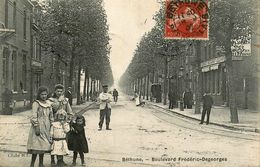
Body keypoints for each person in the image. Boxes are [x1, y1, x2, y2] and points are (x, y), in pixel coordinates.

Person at [27, 86, 53, 167]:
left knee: (44, 145)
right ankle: (32, 164)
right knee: (36, 146)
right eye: (42, 94)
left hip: (46, 127)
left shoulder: (49, 104)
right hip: (38, 126)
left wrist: (52, 124)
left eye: (45, 94)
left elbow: (51, 116)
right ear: (39, 95)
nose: (44, 96)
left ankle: (41, 163)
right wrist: (36, 126)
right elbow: (33, 116)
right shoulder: (36, 103)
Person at [48, 84, 74, 166]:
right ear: (55, 91)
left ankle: (60, 160)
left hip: (62, 124)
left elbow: (69, 112)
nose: (59, 93)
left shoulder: (65, 100)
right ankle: (52, 160)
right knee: (53, 142)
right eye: (57, 91)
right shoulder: (50, 100)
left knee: (62, 141)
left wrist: (68, 121)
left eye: (61, 91)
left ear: (63, 92)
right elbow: (48, 112)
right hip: (53, 123)